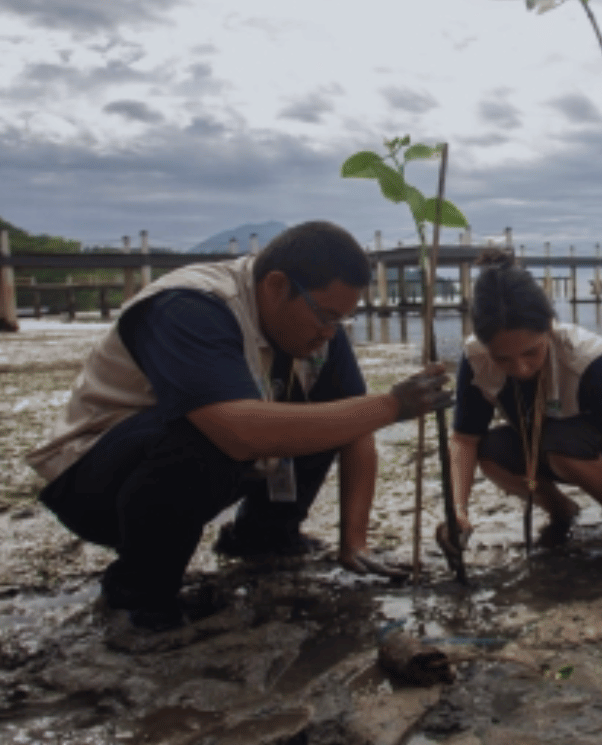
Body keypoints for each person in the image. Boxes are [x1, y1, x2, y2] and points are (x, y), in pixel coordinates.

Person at [24, 221, 453, 632]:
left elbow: (356, 424)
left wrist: (354, 542)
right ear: (276, 286)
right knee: (209, 434)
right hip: (95, 481)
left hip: (183, 463)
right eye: (324, 316)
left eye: (340, 320)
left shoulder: (320, 332)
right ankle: (139, 592)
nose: (329, 332)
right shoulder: (192, 306)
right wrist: (393, 404)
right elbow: (236, 431)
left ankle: (265, 537)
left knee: (331, 417)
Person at [435, 250, 602, 565]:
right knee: (490, 451)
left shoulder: (589, 360)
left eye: (531, 352)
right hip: (552, 439)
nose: (519, 368)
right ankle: (562, 510)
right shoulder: (477, 358)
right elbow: (465, 439)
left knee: (561, 446)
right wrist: (457, 512)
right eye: (503, 358)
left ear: (549, 326)